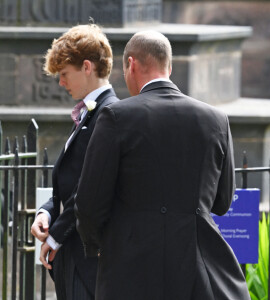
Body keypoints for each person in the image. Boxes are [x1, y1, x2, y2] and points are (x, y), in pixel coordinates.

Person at [74, 30, 250, 299]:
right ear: (170, 66)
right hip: (198, 269)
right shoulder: (216, 119)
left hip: (131, 269)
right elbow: (222, 202)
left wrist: (100, 245)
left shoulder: (116, 116)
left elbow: (89, 203)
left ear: (131, 64)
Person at [30, 24, 119, 300]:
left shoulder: (109, 114)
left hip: (87, 258)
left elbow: (89, 188)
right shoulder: (91, 112)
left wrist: (55, 236)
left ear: (87, 67)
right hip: (73, 254)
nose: (61, 82)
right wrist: (45, 213)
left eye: (65, 74)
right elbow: (68, 183)